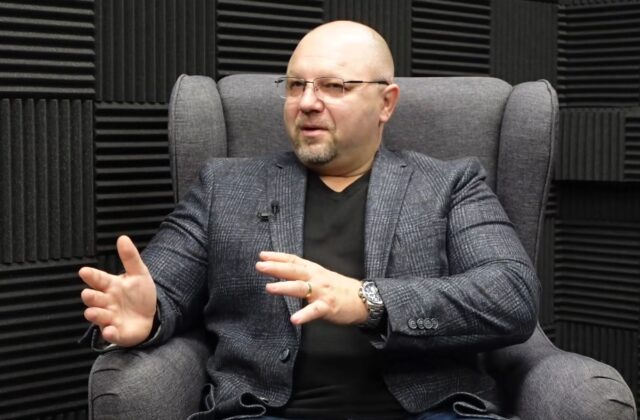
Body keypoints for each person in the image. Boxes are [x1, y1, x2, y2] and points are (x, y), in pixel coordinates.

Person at [79, 20, 539, 420]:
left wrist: (368, 302)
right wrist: (149, 315)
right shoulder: (224, 186)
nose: (307, 102)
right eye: (296, 85)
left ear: (386, 102)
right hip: (267, 411)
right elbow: (160, 288)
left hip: (429, 410)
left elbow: (511, 295)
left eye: (333, 86)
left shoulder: (450, 184)